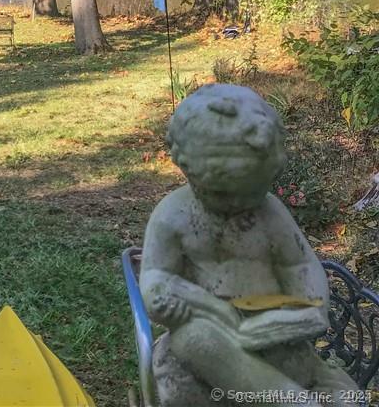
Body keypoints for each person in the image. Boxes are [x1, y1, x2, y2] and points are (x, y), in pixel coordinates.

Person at [140, 84, 359, 406]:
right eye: (221, 194)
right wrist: (162, 297)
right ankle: (291, 400)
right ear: (185, 167)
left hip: (274, 337)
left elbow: (298, 264)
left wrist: (310, 312)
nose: (239, 204)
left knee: (342, 393)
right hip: (213, 340)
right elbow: (156, 275)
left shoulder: (271, 213)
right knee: (193, 339)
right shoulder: (172, 215)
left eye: (253, 191)